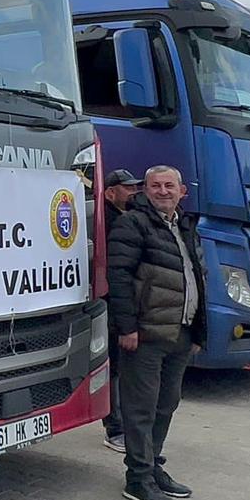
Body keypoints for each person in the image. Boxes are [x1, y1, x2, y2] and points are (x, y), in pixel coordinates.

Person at [106, 165, 206, 500]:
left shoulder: (185, 225)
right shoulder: (131, 224)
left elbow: (198, 278)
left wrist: (199, 331)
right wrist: (127, 327)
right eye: (155, 185)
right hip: (146, 334)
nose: (162, 191)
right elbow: (117, 277)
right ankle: (138, 479)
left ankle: (153, 465)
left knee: (167, 404)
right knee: (141, 408)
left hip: (180, 331)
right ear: (144, 190)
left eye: (169, 186)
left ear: (182, 191)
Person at [100, 168, 142, 454]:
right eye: (127, 188)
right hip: (110, 303)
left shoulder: (128, 219)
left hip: (124, 303)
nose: (133, 192)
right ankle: (114, 428)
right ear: (110, 192)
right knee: (113, 367)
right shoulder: (105, 222)